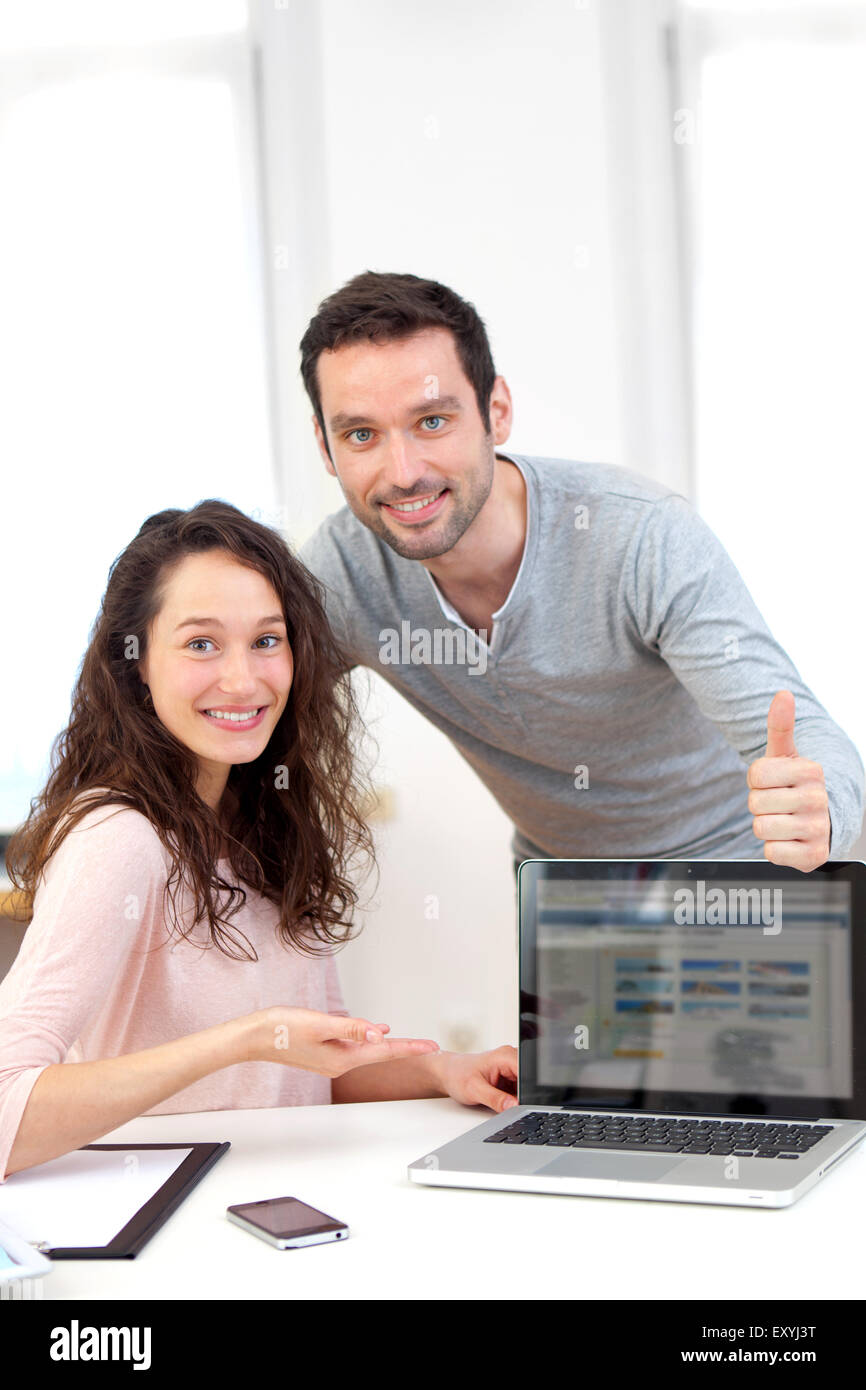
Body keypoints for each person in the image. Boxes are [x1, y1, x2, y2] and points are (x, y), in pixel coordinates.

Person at [0, 501, 518, 1185]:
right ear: (137, 664)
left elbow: (312, 1074)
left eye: (267, 641)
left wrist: (442, 1070)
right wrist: (245, 1039)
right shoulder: (117, 837)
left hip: (277, 1192)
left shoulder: (272, 819)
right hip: (165, 1212)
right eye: (201, 644)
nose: (243, 680)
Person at [298, 270, 864, 875]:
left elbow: (808, 735)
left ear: (498, 411)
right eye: (361, 434)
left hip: (737, 866)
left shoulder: (641, 537)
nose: (404, 471)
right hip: (563, 884)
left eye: (432, 421)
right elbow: (247, 699)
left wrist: (821, 809)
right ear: (327, 450)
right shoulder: (339, 574)